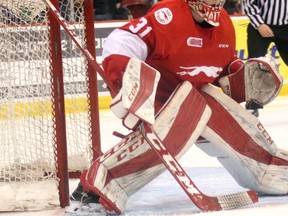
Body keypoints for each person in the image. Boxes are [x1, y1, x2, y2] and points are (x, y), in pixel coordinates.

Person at [69, 0, 288, 214]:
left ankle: (272, 171)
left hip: (195, 98)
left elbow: (221, 62)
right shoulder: (169, 14)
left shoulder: (224, 24)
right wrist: (126, 77)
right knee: (187, 112)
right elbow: (123, 38)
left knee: (225, 117)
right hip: (156, 103)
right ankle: (95, 189)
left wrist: (239, 72)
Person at [243, 0, 288, 116]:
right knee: (255, 66)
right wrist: (259, 24)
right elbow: (248, 4)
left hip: (286, 28)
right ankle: (252, 105)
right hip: (259, 29)